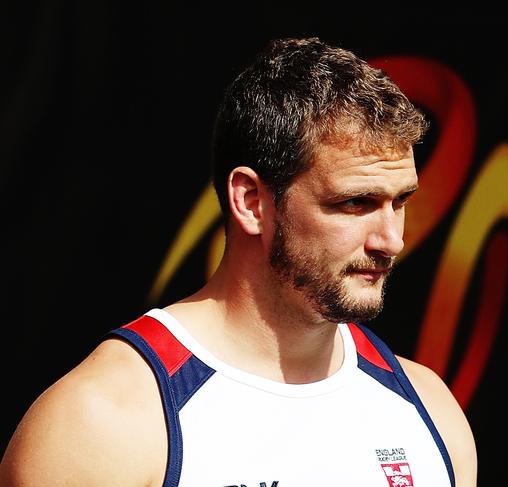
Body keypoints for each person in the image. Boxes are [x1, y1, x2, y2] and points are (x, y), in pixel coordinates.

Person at [0, 37, 477, 486]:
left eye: (400, 202)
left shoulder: (428, 409)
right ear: (251, 200)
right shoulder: (103, 422)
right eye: (355, 203)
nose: (391, 240)